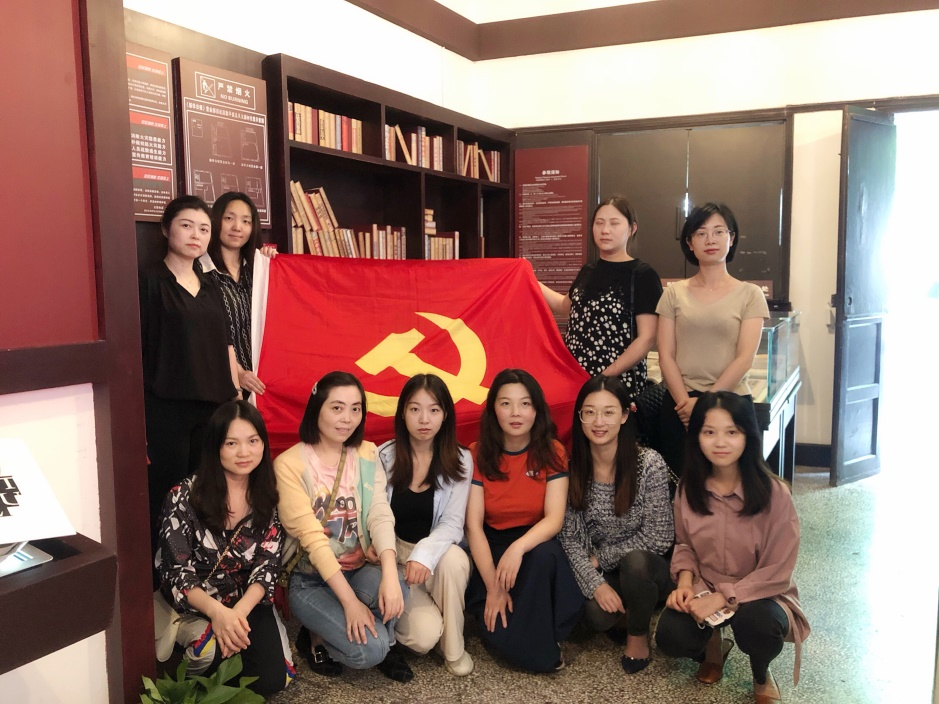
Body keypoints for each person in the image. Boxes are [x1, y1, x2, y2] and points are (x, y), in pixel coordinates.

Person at [654, 392, 809, 704]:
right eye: (709, 432)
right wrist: (684, 583)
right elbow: (684, 544)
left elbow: (777, 570)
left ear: (748, 436)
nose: (720, 442)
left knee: (760, 626)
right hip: (705, 584)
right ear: (697, 437)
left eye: (732, 432)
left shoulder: (775, 494)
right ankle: (714, 644)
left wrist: (723, 597)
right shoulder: (688, 488)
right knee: (670, 636)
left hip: (761, 592)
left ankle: (761, 673)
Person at [273, 371, 413, 682]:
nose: (347, 418)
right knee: (369, 651)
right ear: (317, 409)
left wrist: (390, 572)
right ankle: (317, 638)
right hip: (311, 580)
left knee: (399, 586)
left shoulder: (366, 453)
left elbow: (379, 512)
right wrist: (350, 604)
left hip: (358, 570)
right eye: (336, 407)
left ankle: (368, 635)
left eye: (355, 408)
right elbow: (312, 540)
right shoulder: (289, 465)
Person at [155, 400, 294, 696]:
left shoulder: (268, 495)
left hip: (245, 601)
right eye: (232, 443)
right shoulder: (183, 496)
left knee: (272, 681)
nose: (244, 452)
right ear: (215, 446)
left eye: (253, 441)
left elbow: (268, 566)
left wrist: (236, 616)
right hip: (196, 603)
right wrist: (218, 614)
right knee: (208, 659)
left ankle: (245, 640)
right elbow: (177, 572)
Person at [140, 195, 240, 561]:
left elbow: (226, 344)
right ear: (166, 229)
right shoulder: (149, 281)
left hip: (213, 407)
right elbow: (136, 348)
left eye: (204, 229)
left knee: (206, 492)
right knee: (166, 493)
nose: (196, 235)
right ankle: (165, 569)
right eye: (186, 226)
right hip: (166, 408)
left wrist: (237, 401)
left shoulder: (211, 284)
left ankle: (199, 567)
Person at [464, 368, 583, 673]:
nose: (516, 413)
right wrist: (494, 587)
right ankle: (531, 638)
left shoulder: (553, 451)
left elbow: (554, 519)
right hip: (491, 546)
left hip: (534, 543)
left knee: (545, 556)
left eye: (525, 403)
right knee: (498, 623)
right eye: (506, 403)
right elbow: (473, 527)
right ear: (493, 409)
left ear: (536, 410)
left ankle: (543, 639)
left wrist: (518, 548)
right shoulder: (477, 453)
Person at [558, 375, 674, 675]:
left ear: (624, 415)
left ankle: (638, 636)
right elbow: (568, 538)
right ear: (580, 417)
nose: (599, 422)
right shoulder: (573, 468)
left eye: (608, 412)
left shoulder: (648, 463)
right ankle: (631, 612)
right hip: (604, 571)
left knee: (636, 564)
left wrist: (602, 558)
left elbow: (660, 537)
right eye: (590, 412)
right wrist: (595, 584)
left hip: (648, 567)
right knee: (596, 615)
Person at [655, 202, 769, 475]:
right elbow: (665, 355)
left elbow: (744, 358)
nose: (710, 240)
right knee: (680, 484)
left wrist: (705, 404)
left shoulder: (750, 294)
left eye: (719, 231)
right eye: (701, 233)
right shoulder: (673, 293)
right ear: (689, 243)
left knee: (736, 484)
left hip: (731, 400)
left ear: (732, 238)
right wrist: (686, 405)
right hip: (680, 404)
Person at [377, 374, 474, 676]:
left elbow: (453, 523)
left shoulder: (461, 459)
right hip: (394, 559)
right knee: (423, 638)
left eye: (433, 410)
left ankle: (454, 650)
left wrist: (424, 554)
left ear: (445, 415)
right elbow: (375, 517)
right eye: (415, 409)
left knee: (455, 559)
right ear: (402, 413)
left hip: (436, 554)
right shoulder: (383, 456)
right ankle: (436, 625)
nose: (424, 419)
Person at [540, 196, 663, 396]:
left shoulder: (642, 274)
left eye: (614, 223)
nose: (605, 230)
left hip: (617, 384)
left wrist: (604, 377)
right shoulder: (588, 270)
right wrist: (527, 277)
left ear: (632, 229)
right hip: (575, 379)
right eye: (599, 223)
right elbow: (565, 306)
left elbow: (647, 338)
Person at [199, 192, 277, 399]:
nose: (237, 227)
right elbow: (203, 335)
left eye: (246, 221)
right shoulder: (199, 272)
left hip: (262, 381)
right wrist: (238, 373)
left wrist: (274, 266)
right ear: (216, 220)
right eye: (229, 218)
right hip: (221, 383)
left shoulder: (258, 270)